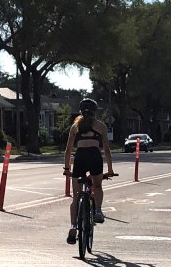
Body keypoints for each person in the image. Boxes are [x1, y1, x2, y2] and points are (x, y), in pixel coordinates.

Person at [63, 98, 115, 245]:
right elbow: (107, 150)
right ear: (94, 111)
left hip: (80, 158)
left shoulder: (74, 127)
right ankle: (98, 210)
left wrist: (67, 169)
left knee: (76, 197)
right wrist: (110, 169)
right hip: (94, 157)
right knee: (97, 186)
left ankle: (73, 227)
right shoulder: (101, 126)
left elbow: (68, 151)